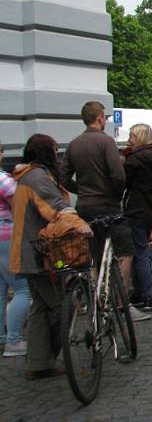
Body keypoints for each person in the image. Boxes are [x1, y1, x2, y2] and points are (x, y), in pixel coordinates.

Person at [10, 134, 93, 379]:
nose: (58, 154)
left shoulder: (29, 175)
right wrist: (80, 224)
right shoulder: (37, 177)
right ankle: (45, 361)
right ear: (46, 152)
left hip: (29, 250)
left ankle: (37, 364)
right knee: (62, 305)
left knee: (40, 307)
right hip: (38, 252)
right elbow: (55, 207)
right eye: (55, 150)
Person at [61, 102, 143, 319]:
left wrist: (79, 190)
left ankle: (96, 298)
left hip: (85, 206)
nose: (106, 121)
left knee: (93, 254)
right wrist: (116, 195)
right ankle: (120, 301)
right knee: (126, 250)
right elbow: (118, 175)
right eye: (104, 118)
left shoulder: (74, 144)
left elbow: (63, 177)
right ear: (99, 118)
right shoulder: (106, 142)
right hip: (108, 206)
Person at [123, 124, 152, 312]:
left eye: (132, 136)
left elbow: (125, 183)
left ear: (139, 137)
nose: (129, 139)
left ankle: (145, 296)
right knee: (143, 253)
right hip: (151, 209)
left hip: (136, 209)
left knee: (139, 253)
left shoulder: (134, 160)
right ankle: (143, 294)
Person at [1, 141, 31, 357]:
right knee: (23, 290)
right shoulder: (3, 179)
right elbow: (17, 205)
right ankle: (13, 340)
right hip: (6, 236)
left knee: (1, 290)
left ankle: (2, 339)